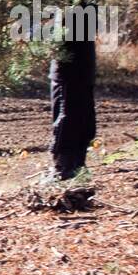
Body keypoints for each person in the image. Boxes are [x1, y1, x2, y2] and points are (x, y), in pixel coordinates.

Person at [48, 33, 96, 181]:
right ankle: (77, 167)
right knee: (82, 111)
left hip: (68, 67)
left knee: (67, 112)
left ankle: (64, 169)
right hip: (84, 65)